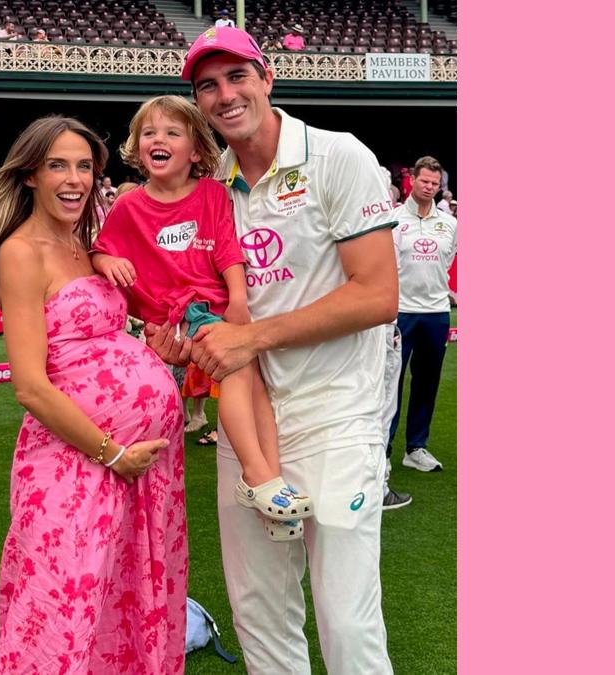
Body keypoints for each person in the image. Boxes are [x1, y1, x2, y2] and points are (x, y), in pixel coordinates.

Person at [147, 26, 407, 674]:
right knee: (261, 617)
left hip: (335, 412)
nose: (225, 95)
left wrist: (248, 338)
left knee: (346, 621)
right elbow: (212, 307)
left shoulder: (338, 156)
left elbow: (378, 294)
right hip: (250, 425)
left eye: (237, 76)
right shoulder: (208, 190)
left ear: (268, 78)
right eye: (207, 85)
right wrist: (190, 346)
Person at [0, 116, 187, 673]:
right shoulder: (22, 253)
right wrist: (115, 453)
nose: (74, 178)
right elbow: (32, 387)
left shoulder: (87, 244)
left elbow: (101, 347)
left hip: (141, 470)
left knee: (124, 601)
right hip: (77, 465)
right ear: (31, 175)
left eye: (84, 166)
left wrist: (159, 356)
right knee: (62, 611)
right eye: (58, 164)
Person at [92, 95, 313, 538]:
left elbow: (228, 247)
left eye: (172, 133)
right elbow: (100, 250)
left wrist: (237, 297)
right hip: (175, 318)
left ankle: (271, 484)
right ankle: (257, 475)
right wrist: (105, 264)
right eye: (149, 133)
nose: (159, 139)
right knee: (237, 372)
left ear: (195, 151)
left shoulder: (213, 194)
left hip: (214, 311)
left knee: (255, 386)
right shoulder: (129, 206)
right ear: (137, 146)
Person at [387, 156, 457, 473]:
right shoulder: (393, 219)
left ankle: (415, 448)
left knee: (426, 384)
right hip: (401, 312)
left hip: (437, 313)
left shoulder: (451, 224)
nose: (429, 187)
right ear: (413, 180)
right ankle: (383, 449)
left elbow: (449, 265)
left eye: (434, 183)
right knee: (391, 383)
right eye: (424, 181)